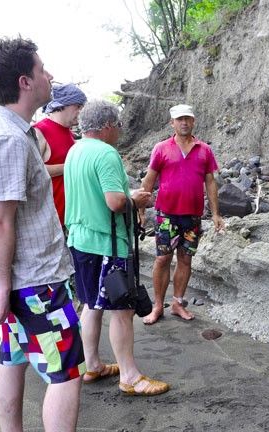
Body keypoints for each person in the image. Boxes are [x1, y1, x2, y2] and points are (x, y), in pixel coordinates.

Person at [0, 37, 86, 432]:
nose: (49, 76)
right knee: (64, 373)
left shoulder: (14, 134)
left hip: (19, 283)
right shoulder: (7, 140)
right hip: (32, 284)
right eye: (42, 70)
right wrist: (3, 289)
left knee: (14, 359)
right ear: (24, 81)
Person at [64, 99, 169, 396]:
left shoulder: (75, 150)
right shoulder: (106, 153)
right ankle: (130, 376)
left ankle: (93, 365)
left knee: (91, 304)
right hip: (106, 242)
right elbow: (114, 202)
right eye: (119, 126)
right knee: (122, 309)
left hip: (80, 239)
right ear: (108, 126)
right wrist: (135, 200)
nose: (119, 133)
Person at [139, 104, 225, 325]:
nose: (184, 122)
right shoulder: (161, 148)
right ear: (172, 123)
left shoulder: (204, 149)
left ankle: (178, 303)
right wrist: (140, 208)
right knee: (162, 258)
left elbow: (210, 182)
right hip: (166, 215)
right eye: (179, 119)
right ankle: (158, 305)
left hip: (193, 216)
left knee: (186, 259)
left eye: (187, 118)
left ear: (193, 121)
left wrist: (216, 213)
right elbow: (149, 179)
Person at [33, 83, 87, 226]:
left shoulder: (68, 133)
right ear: (62, 105)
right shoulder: (39, 131)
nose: (81, 112)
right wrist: (71, 165)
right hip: (50, 220)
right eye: (78, 106)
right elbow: (32, 171)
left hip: (72, 218)